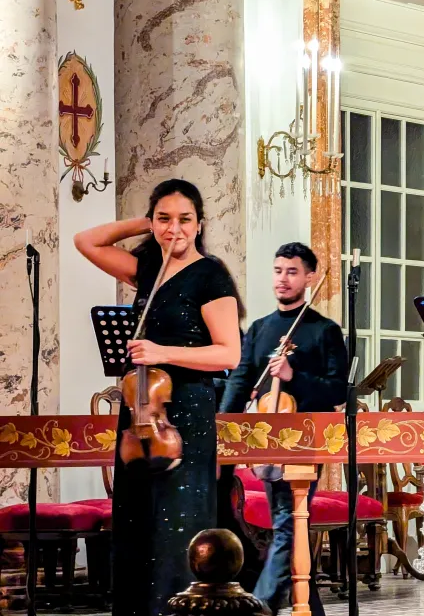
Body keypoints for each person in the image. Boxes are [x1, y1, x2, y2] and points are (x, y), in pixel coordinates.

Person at [74, 179, 243, 616]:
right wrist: (148, 223)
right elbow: (86, 240)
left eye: (185, 219)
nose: (175, 229)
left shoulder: (211, 275)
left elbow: (229, 353)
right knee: (136, 520)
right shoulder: (148, 268)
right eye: (165, 219)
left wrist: (162, 352)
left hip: (185, 411)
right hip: (142, 413)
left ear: (200, 224)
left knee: (176, 523)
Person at [220, 242, 348, 616]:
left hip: (305, 440)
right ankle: (309, 606)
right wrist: (224, 428)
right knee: (289, 524)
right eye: (278, 271)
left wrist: (295, 376)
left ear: (309, 277)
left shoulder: (324, 330)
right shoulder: (260, 329)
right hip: (265, 440)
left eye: (292, 272)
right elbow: (241, 380)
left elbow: (337, 390)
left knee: (287, 522)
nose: (283, 279)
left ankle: (259, 605)